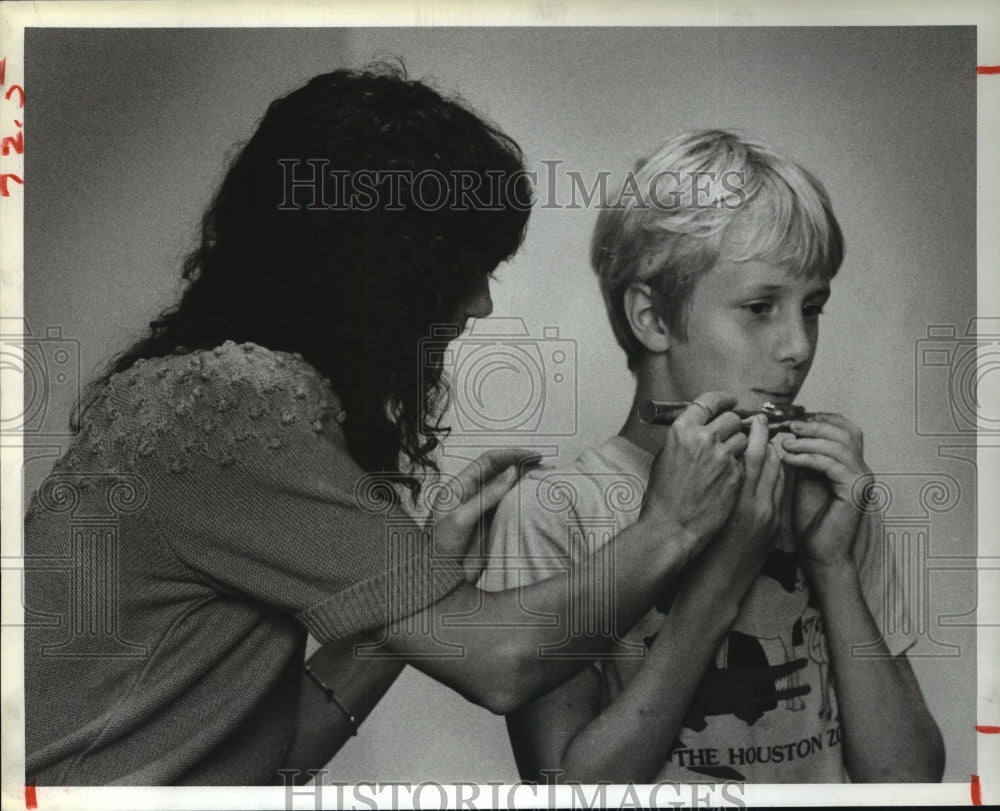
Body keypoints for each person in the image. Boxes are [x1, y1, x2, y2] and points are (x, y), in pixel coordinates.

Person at [23, 67, 755, 786]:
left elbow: (278, 753)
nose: (479, 306)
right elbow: (501, 661)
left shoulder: (193, 390)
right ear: (380, 272)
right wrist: (672, 526)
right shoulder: (230, 405)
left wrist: (410, 587)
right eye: (465, 268)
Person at [479, 130, 945, 783]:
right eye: (761, 308)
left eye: (812, 309)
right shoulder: (554, 512)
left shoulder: (830, 499)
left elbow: (909, 782)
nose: (797, 346)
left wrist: (833, 565)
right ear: (653, 318)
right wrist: (719, 579)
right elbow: (566, 791)